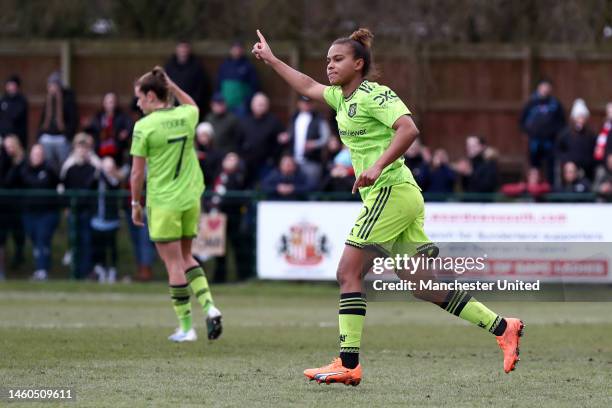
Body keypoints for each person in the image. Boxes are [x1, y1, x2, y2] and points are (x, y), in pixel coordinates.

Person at [253, 27, 523, 385]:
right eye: (328, 60)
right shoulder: (340, 98)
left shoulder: (374, 95)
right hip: (398, 195)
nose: (329, 66)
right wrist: (272, 60)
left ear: (359, 63)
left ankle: (348, 364)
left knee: (348, 273)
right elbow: (305, 84)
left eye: (338, 60)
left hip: (390, 191)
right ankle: (503, 327)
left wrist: (377, 166)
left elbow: (408, 129)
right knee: (425, 287)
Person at [130, 66, 222, 342]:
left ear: (149, 95)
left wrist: (135, 202)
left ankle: (186, 327)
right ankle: (210, 307)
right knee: (186, 257)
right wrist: (172, 86)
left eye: (139, 97)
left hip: (164, 201)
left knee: (173, 264)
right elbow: (192, 103)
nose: (137, 103)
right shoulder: (186, 115)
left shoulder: (144, 127)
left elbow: (136, 173)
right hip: (190, 198)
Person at [60, 133, 100, 280]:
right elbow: (63, 187)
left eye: (84, 148)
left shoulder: (92, 167)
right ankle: (74, 272)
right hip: (73, 210)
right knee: (74, 241)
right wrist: (66, 207)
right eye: (79, 148)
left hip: (87, 211)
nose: (82, 151)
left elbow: (95, 184)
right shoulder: (69, 167)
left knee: (86, 240)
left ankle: (85, 271)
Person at [20, 144, 60, 280]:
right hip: (30, 213)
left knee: (42, 239)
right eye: (35, 154)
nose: (37, 156)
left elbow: (55, 181)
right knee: (36, 241)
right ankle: (43, 266)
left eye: (40, 154)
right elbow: (26, 181)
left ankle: (42, 270)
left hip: (47, 213)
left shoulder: (49, 169)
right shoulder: (24, 169)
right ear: (30, 155)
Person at [519, 79, 566, 183]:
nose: (545, 90)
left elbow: (562, 122)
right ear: (538, 88)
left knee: (551, 167)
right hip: (534, 141)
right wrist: (530, 131)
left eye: (547, 87)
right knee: (533, 167)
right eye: (543, 87)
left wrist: (554, 132)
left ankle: (550, 189)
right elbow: (522, 121)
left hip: (550, 142)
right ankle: (532, 189)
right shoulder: (531, 103)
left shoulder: (555, 104)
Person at [239, 92, 287, 187]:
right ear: (252, 105)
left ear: (267, 106)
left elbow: (282, 140)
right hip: (248, 163)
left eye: (263, 104)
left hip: (267, 163)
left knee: (265, 187)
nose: (261, 107)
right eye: (259, 104)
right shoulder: (244, 121)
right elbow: (238, 140)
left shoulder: (274, 121)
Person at [38, 71, 78, 173]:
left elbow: (73, 119)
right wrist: (40, 134)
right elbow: (42, 119)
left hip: (61, 137)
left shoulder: (67, 99)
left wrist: (67, 135)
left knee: (63, 163)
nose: (51, 87)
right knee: (48, 163)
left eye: (54, 85)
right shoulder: (48, 99)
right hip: (47, 136)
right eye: (50, 85)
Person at [286, 96, 331, 187]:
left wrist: (314, 144)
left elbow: (326, 137)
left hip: (312, 160)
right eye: (304, 103)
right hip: (294, 160)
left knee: (311, 186)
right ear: (299, 104)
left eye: (308, 103)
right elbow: (291, 133)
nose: (306, 105)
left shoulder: (319, 118)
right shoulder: (294, 117)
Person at [91, 157, 122, 284]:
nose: (107, 169)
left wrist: (103, 173)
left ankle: (112, 270)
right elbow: (89, 184)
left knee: (112, 247)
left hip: (111, 221)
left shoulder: (115, 180)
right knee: (100, 248)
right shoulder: (98, 178)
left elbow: (112, 185)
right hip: (97, 220)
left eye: (110, 166)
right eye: (105, 166)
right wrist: (97, 172)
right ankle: (101, 269)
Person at [0, 135, 27, 277]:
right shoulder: (4, 162)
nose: (9, 149)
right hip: (4, 208)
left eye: (11, 146)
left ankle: (19, 257)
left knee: (19, 235)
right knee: (2, 239)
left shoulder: (24, 162)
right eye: (6, 146)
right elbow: (6, 181)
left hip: (19, 207)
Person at [164, 40, 211, 116]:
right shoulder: (170, 65)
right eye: (181, 48)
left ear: (189, 50)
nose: (183, 51)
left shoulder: (197, 66)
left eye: (185, 48)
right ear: (177, 50)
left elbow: (201, 87)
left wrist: (194, 102)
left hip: (190, 104)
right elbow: (164, 83)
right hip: (173, 105)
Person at [86, 92, 133, 166]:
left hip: (117, 152)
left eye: (112, 102)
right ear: (103, 103)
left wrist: (126, 132)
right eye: (108, 102)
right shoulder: (98, 116)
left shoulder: (122, 116)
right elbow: (91, 129)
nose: (111, 105)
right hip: (100, 150)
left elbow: (130, 126)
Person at [556, 98, 597, 181]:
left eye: (583, 117)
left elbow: (594, 150)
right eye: (578, 117)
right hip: (569, 171)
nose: (580, 120)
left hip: (587, 171)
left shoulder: (590, 134)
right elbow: (558, 150)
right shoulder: (565, 134)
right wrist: (567, 162)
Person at [217, 41, 260, 116]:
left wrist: (247, 101)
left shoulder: (248, 66)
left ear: (243, 50)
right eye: (235, 48)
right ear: (230, 50)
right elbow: (218, 84)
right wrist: (219, 100)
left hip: (241, 106)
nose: (237, 51)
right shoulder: (224, 66)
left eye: (239, 48)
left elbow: (254, 86)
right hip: (226, 104)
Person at [0, 75, 29, 148]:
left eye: (12, 85)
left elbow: (16, 116)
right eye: (9, 85)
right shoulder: (3, 99)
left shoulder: (22, 101)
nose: (10, 87)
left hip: (17, 137)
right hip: (3, 136)